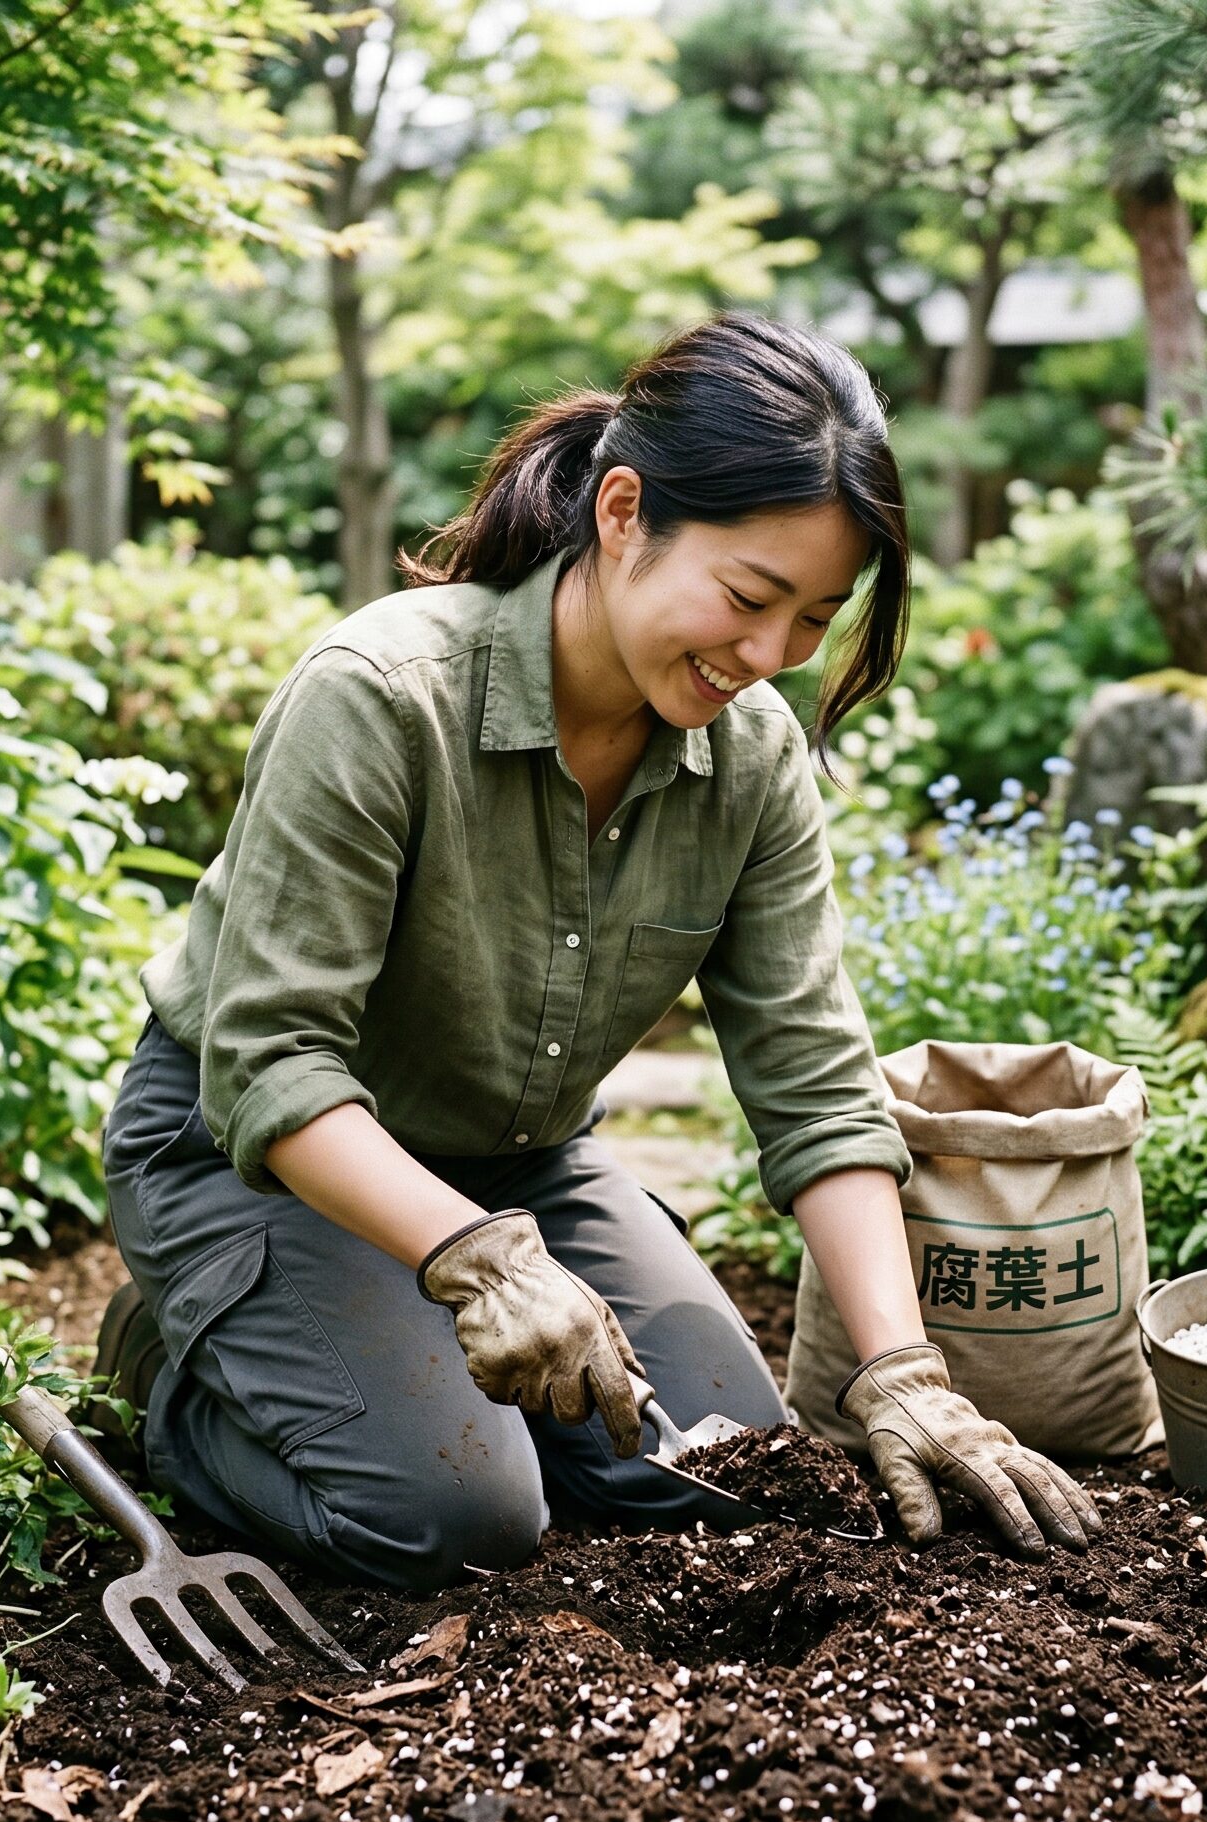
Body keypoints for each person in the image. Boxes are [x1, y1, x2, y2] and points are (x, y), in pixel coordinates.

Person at [98, 313, 1102, 1592]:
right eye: (746, 598)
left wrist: (903, 1372)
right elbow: (271, 1065)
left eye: (810, 619)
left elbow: (813, 1081)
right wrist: (477, 1261)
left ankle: (389, 1367)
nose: (765, 657)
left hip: (518, 1166)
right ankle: (175, 1367)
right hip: (257, 1164)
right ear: (621, 511)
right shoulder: (381, 695)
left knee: (723, 1474)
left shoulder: (750, 760)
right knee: (459, 1518)